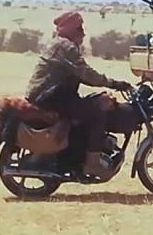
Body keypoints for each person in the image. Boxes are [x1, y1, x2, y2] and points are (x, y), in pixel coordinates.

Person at [24, 11, 132, 178]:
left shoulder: (58, 43)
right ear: (71, 30)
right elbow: (86, 74)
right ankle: (92, 163)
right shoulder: (66, 47)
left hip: (51, 95)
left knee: (90, 105)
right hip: (50, 97)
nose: (83, 34)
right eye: (79, 29)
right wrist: (113, 83)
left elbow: (80, 75)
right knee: (97, 113)